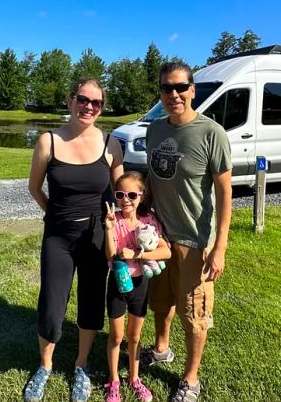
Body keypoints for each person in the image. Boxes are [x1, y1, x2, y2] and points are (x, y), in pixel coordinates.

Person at [25, 78, 124, 402]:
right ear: (70, 100)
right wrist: (53, 213)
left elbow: (122, 193)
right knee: (52, 303)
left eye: (97, 103)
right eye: (83, 100)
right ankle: (45, 365)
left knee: (91, 300)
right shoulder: (48, 142)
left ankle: (81, 365)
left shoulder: (111, 144)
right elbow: (34, 188)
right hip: (58, 235)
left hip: (95, 234)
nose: (89, 107)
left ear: (102, 108)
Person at [141, 61, 233, 402]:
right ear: (161, 93)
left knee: (194, 314)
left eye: (181, 87)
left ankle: (190, 379)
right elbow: (152, 178)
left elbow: (225, 194)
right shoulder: (154, 130)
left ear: (193, 90)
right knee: (160, 303)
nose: (174, 94)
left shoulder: (212, 133)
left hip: (196, 243)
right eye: (167, 88)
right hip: (159, 238)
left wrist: (219, 246)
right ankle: (162, 349)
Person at [103, 171, 172, 402]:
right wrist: (109, 229)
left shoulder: (148, 221)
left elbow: (166, 251)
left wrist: (138, 254)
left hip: (140, 284)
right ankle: (113, 381)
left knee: (134, 336)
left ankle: (134, 379)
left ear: (141, 196)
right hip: (117, 285)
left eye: (132, 194)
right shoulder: (115, 220)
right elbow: (111, 256)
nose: (126, 200)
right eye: (120, 194)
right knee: (117, 336)